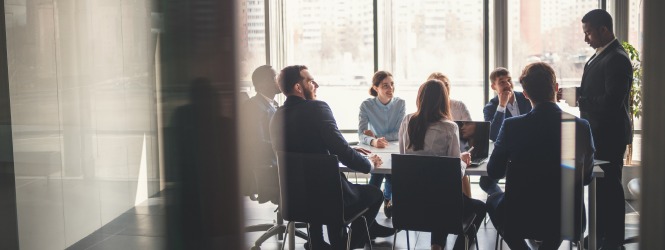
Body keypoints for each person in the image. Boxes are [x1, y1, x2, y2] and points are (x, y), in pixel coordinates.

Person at [270, 65, 395, 249]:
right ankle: (346, 244)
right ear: (298, 87)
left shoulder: (276, 116)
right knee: (375, 194)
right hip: (329, 199)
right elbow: (344, 153)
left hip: (295, 200)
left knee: (330, 189)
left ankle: (318, 242)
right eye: (311, 81)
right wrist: (369, 164)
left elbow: (307, 151)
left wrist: (344, 150)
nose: (316, 84)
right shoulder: (318, 108)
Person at [486, 62, 595, 250]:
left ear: (525, 94)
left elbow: (494, 172)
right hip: (567, 218)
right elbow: (586, 178)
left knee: (493, 201)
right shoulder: (580, 126)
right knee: (560, 212)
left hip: (522, 216)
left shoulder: (513, 127)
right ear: (556, 88)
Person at [559, 9, 632, 250]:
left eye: (588, 32)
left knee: (611, 188)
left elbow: (612, 101)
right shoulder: (601, 55)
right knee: (601, 189)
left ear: (604, 29)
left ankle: (613, 241)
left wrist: (581, 101)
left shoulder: (618, 58)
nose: (585, 38)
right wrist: (575, 94)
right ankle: (600, 235)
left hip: (609, 135)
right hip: (598, 133)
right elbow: (597, 90)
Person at [398, 79, 486, 250]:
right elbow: (454, 173)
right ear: (443, 100)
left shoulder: (407, 121)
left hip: (411, 203)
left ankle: (436, 245)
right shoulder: (449, 127)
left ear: (420, 98)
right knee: (477, 206)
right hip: (442, 203)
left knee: (438, 196)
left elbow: (404, 158)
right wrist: (461, 161)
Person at [359, 70, 405, 219]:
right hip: (375, 148)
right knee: (378, 172)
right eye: (385, 85)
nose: (390, 88)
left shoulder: (400, 103)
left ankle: (383, 200)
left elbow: (399, 132)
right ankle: (373, 207)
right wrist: (372, 141)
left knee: (391, 171)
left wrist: (376, 137)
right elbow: (361, 134)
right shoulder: (366, 105)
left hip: (394, 148)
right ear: (375, 87)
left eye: (392, 84)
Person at [481, 67, 532, 196]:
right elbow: (493, 135)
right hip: (506, 154)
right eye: (502, 82)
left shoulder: (526, 98)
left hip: (529, 150)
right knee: (486, 181)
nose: (508, 84)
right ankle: (503, 201)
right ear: (493, 86)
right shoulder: (490, 107)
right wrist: (502, 106)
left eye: (509, 80)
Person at [427, 72, 474, 197]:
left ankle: (465, 203)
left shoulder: (458, 106)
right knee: (460, 169)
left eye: (445, 84)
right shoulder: (449, 126)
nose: (443, 87)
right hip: (444, 160)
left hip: (460, 148)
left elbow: (470, 129)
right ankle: (465, 207)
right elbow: (455, 169)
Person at [241, 65, 282, 201]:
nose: (278, 80)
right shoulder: (252, 106)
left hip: (276, 164)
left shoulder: (272, 104)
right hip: (267, 169)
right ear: (262, 84)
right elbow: (257, 143)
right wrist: (286, 149)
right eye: (274, 77)